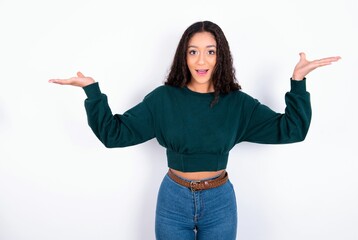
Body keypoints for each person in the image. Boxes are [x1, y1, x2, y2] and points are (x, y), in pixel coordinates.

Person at [49, 21, 340, 240]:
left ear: (220, 56)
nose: (201, 60)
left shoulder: (237, 104)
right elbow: (114, 135)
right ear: (184, 56)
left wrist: (298, 81)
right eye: (194, 51)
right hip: (173, 200)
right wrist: (92, 92)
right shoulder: (164, 99)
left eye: (210, 52)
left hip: (220, 202)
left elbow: (292, 129)